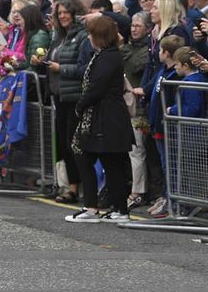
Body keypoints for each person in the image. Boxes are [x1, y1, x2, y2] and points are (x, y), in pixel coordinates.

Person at [65, 16, 134, 223]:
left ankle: (112, 209)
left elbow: (97, 87)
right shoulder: (105, 55)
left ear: (100, 36)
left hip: (107, 117)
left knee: (110, 163)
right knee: (94, 159)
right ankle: (101, 207)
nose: (88, 37)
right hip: (103, 116)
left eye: (92, 33)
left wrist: (80, 105)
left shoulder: (108, 57)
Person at [33, 0, 90, 203]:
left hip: (75, 96)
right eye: (60, 13)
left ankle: (78, 188)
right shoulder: (59, 36)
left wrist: (61, 68)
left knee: (74, 144)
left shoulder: (83, 36)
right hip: (59, 95)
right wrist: (41, 62)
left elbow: (86, 67)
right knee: (63, 144)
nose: (63, 16)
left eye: (67, 13)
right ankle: (68, 184)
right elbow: (52, 60)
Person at [144, 34, 186, 217]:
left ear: (166, 53)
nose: (157, 53)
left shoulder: (173, 76)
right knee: (163, 164)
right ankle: (166, 197)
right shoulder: (162, 71)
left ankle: (174, 201)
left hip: (167, 127)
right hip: (157, 125)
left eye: (160, 50)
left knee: (171, 165)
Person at [120, 11, 152, 210]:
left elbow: (134, 67)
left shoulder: (147, 50)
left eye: (138, 25)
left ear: (147, 29)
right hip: (123, 104)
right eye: (132, 25)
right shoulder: (127, 47)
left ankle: (138, 191)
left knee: (137, 150)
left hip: (139, 108)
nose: (133, 28)